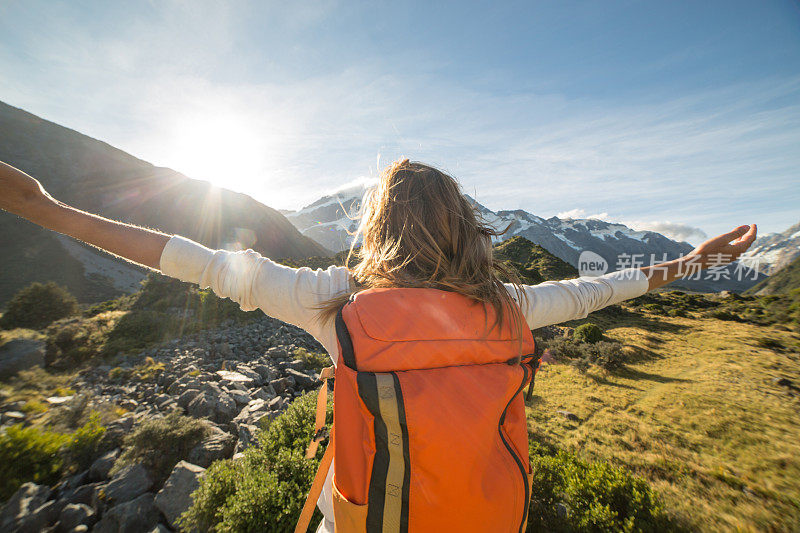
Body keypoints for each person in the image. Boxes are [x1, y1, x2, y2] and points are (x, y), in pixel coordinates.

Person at [0, 158, 756, 532]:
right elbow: (608, 288)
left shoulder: (335, 300)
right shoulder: (510, 307)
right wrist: (698, 262)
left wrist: (48, 210)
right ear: (464, 227)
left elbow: (187, 255)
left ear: (377, 227)